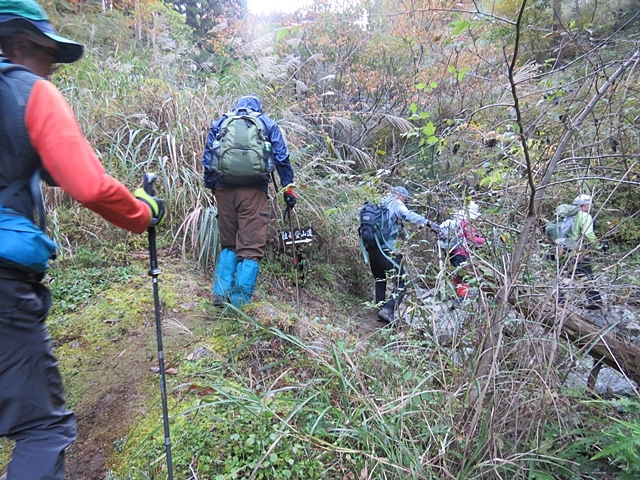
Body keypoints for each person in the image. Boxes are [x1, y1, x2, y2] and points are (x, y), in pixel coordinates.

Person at [0, 1, 165, 479]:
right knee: (41, 431)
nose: (52, 68)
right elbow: (88, 184)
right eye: (47, 54)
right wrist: (142, 212)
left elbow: (48, 168)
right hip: (5, 284)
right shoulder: (29, 92)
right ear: (21, 44)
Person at [202, 95, 295, 307]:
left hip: (224, 190)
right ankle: (240, 302)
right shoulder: (267, 123)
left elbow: (208, 159)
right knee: (251, 248)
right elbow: (282, 157)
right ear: (259, 108)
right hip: (254, 191)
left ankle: (220, 293)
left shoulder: (220, 122)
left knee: (229, 244)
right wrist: (288, 189)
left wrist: (213, 187)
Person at [364, 186, 439, 325]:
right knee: (401, 283)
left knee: (380, 279)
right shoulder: (396, 204)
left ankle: (379, 310)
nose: (405, 201)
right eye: (404, 198)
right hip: (387, 250)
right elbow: (408, 214)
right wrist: (427, 222)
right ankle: (387, 310)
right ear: (400, 196)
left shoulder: (378, 202)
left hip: (372, 248)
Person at [560, 194, 603, 310]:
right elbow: (587, 234)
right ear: (585, 205)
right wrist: (599, 246)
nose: (591, 207)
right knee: (587, 275)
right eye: (590, 205)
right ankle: (595, 302)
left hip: (564, 249)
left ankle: (560, 302)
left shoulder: (566, 216)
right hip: (578, 250)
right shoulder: (584, 216)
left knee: (564, 274)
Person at [444, 201, 486, 300]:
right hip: (461, 252)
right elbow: (472, 238)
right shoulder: (467, 223)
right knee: (465, 276)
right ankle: (460, 300)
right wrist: (485, 240)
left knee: (458, 274)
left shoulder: (458, 220)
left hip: (452, 251)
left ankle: (454, 296)